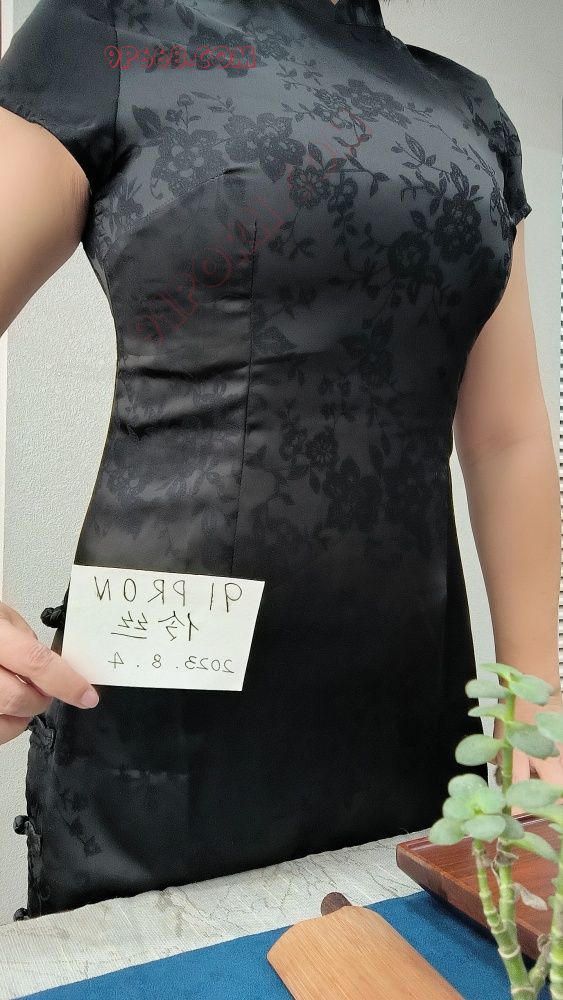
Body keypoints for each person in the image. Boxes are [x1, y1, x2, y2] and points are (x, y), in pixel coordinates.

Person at [0, 0, 561, 921]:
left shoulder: (469, 111)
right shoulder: (109, 31)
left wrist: (533, 696)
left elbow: (505, 435)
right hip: (169, 723)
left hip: (412, 714)